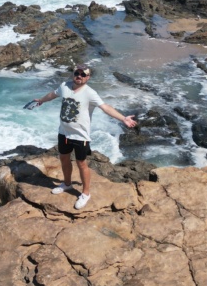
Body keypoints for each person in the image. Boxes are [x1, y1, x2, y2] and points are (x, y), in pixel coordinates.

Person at [32, 64, 137, 209]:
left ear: (88, 77)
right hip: (63, 132)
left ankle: (86, 194)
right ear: (73, 74)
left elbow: (105, 107)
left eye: (83, 74)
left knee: (81, 164)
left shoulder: (90, 93)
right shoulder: (65, 86)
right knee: (64, 158)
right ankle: (67, 184)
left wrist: (123, 118)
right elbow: (53, 94)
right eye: (77, 73)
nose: (79, 76)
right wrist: (41, 100)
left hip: (80, 136)